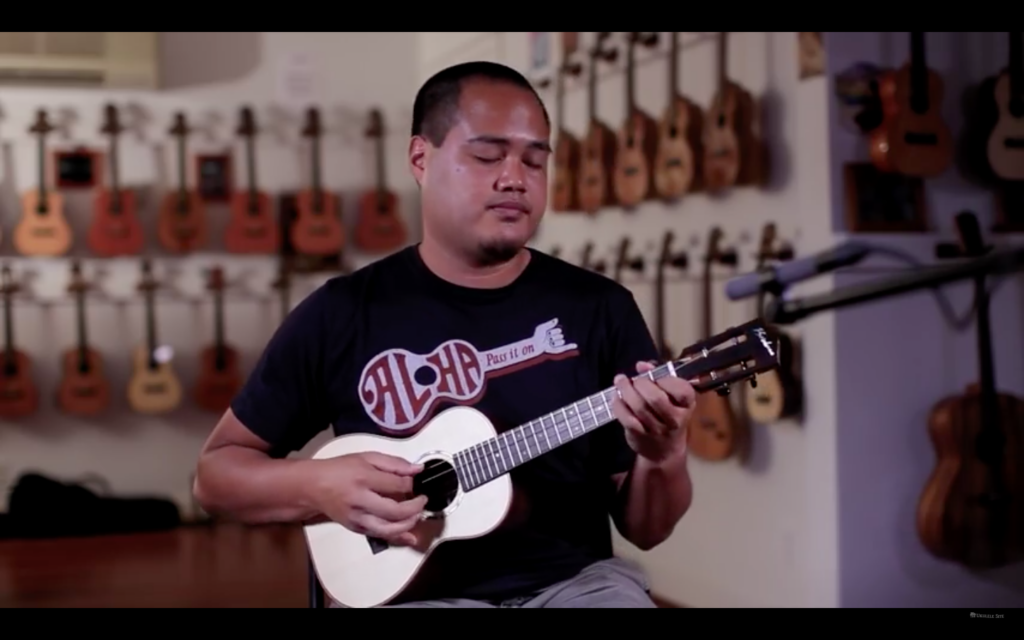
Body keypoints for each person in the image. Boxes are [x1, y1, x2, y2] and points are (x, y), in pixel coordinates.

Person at [192, 60, 696, 608]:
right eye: (486, 155)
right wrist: (317, 485)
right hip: (410, 596)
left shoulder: (600, 308)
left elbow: (648, 529)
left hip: (572, 588)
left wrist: (664, 456)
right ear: (420, 158)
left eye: (535, 160)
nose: (515, 177)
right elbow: (215, 478)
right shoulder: (342, 312)